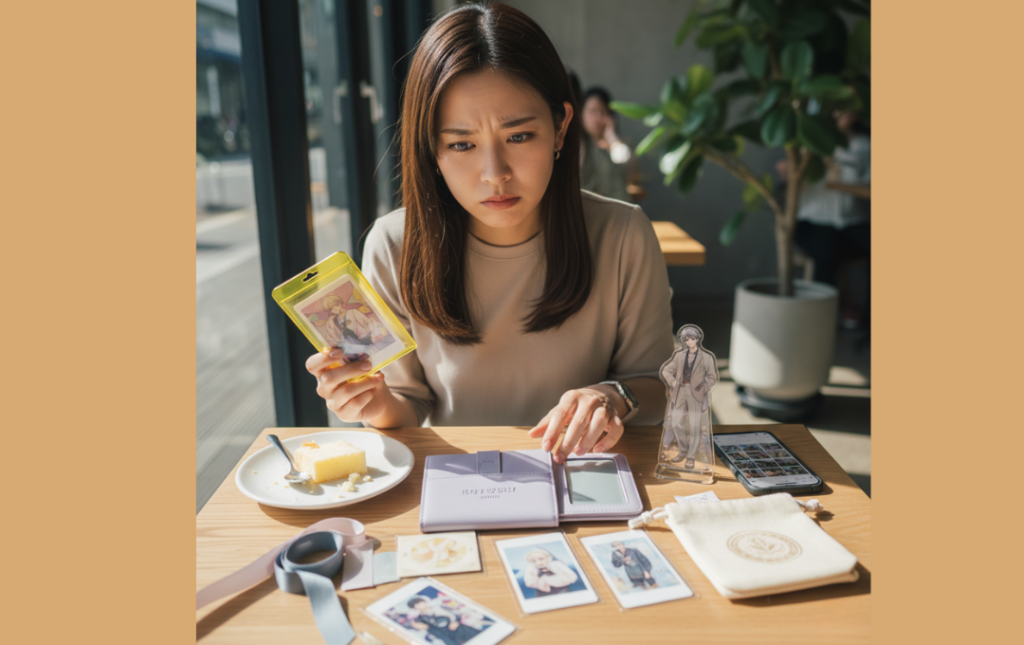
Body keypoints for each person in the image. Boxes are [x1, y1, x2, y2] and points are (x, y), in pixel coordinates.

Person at [306, 2, 674, 461]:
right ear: (431, 149)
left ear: (560, 129)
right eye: (462, 144)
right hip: (459, 485)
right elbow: (408, 408)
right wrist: (373, 403)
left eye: (519, 136)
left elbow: (655, 387)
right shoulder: (394, 246)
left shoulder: (623, 235)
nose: (494, 174)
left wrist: (610, 396)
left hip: (584, 480)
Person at [659, 325, 718, 469]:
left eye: (692, 338)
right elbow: (666, 370)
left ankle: (691, 457)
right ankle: (683, 451)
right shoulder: (679, 355)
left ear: (697, 339)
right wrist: (673, 382)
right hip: (680, 391)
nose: (690, 341)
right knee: (675, 423)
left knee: (695, 425)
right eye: (687, 339)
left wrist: (703, 388)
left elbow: (712, 377)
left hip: (696, 393)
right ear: (684, 341)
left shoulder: (706, 357)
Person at [580, 86, 632, 202]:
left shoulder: (618, 144)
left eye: (602, 112)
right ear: (581, 114)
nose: (597, 118)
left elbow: (629, 167)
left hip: (617, 210)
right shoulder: (578, 145)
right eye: (593, 111)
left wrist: (611, 138)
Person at [406, 597, 480, 645]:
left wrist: (456, 622)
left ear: (424, 602)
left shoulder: (439, 606)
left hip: (459, 628)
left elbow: (456, 612)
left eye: (420, 602)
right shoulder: (420, 618)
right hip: (446, 635)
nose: (419, 605)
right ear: (414, 608)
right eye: (416, 605)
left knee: (477, 637)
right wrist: (425, 627)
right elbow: (428, 629)